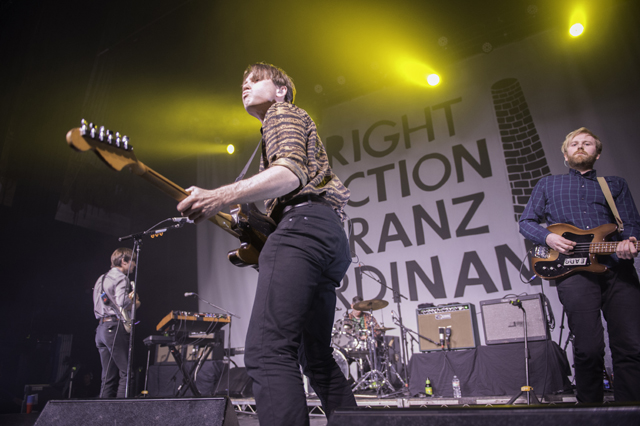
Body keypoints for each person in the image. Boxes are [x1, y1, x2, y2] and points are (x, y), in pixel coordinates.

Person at [177, 62, 356, 425]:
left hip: (303, 228)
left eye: (255, 80)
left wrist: (217, 195)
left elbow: (290, 174)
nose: (245, 85)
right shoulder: (283, 122)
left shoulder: (280, 112)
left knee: (266, 351)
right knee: (316, 358)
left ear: (281, 90)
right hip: (327, 234)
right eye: (243, 81)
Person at [519, 127, 640, 403]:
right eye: (574, 144)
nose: (581, 147)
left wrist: (630, 241)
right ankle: (590, 413)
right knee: (588, 348)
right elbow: (526, 222)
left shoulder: (615, 184)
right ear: (566, 155)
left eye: (587, 143)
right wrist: (549, 237)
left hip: (617, 270)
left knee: (631, 346)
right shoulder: (548, 184)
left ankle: (631, 411)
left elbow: (632, 221)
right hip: (573, 272)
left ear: (597, 153)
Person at [92, 247, 140, 398]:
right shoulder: (121, 278)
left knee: (107, 377)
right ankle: (121, 410)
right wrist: (135, 302)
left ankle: (102, 411)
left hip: (101, 329)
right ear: (124, 261)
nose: (134, 265)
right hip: (114, 327)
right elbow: (122, 302)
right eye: (133, 261)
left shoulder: (101, 278)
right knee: (127, 373)